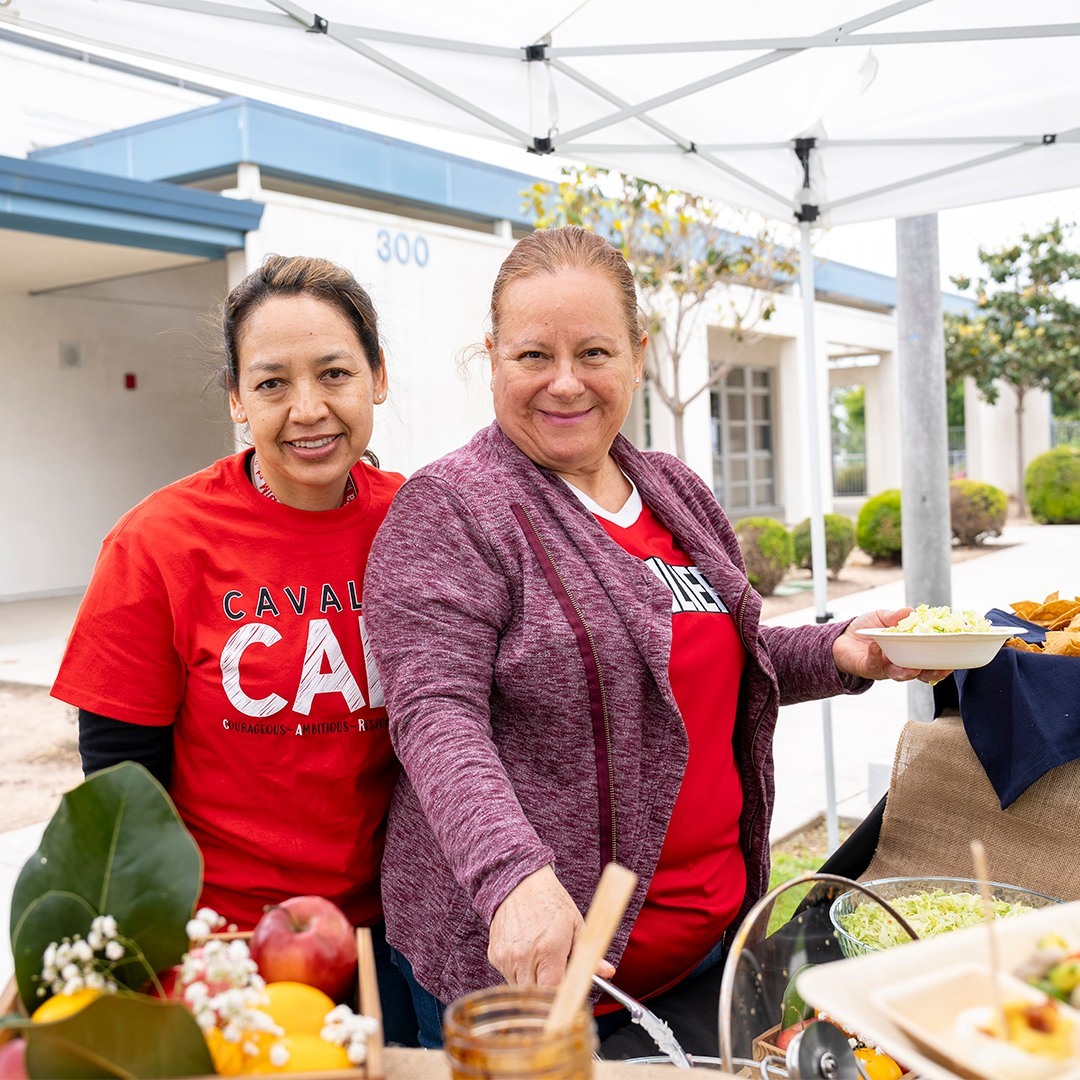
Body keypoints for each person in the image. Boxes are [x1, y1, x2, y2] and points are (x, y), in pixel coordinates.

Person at [362, 226, 950, 1054]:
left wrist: (838, 650)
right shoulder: (453, 508)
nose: (565, 383)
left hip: (713, 951)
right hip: (544, 988)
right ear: (491, 357)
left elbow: (708, 656)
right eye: (534, 356)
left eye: (594, 351)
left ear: (638, 354)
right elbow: (435, 714)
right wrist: (513, 879)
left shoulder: (671, 488)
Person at [51, 254, 417, 1043]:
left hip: (391, 934)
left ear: (377, 377)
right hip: (225, 946)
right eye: (272, 383)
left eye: (334, 374)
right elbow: (119, 782)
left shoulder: (422, 524)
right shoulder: (158, 544)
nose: (308, 409)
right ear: (235, 399)